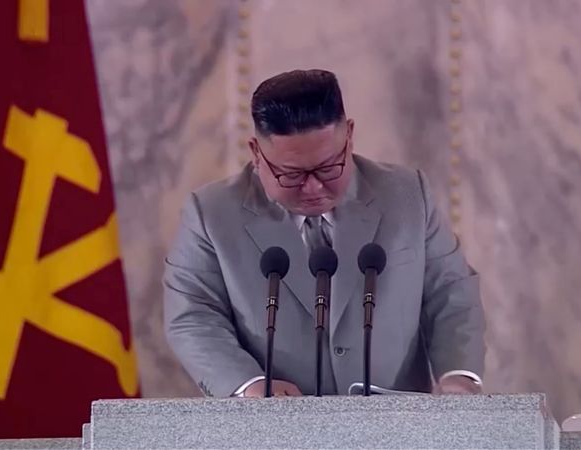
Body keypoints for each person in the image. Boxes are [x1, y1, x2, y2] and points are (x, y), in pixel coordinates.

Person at [164, 69, 485, 398]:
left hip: (396, 425)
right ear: (256, 153)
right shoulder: (211, 214)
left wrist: (458, 374)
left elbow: (450, 291)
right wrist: (249, 385)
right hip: (274, 429)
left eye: (329, 167)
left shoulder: (406, 195)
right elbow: (194, 315)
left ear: (349, 135)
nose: (313, 187)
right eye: (292, 175)